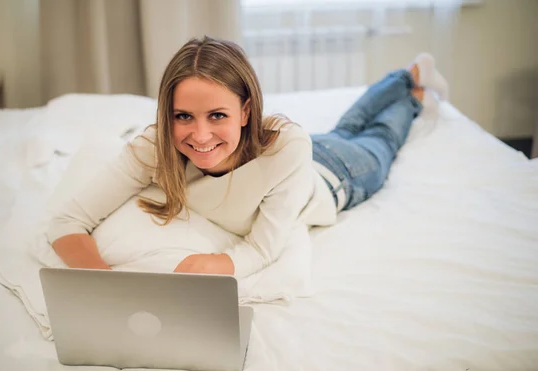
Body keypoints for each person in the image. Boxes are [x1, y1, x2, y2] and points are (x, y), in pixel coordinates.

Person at [47, 36, 448, 277]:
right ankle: (408, 78)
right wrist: (102, 284)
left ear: (246, 111)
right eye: (182, 116)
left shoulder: (287, 146)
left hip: (337, 176)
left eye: (217, 115)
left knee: (380, 139)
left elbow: (261, 249)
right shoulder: (154, 146)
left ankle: (411, 91)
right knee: (347, 128)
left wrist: (216, 264)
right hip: (309, 156)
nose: (199, 135)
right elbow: (68, 221)